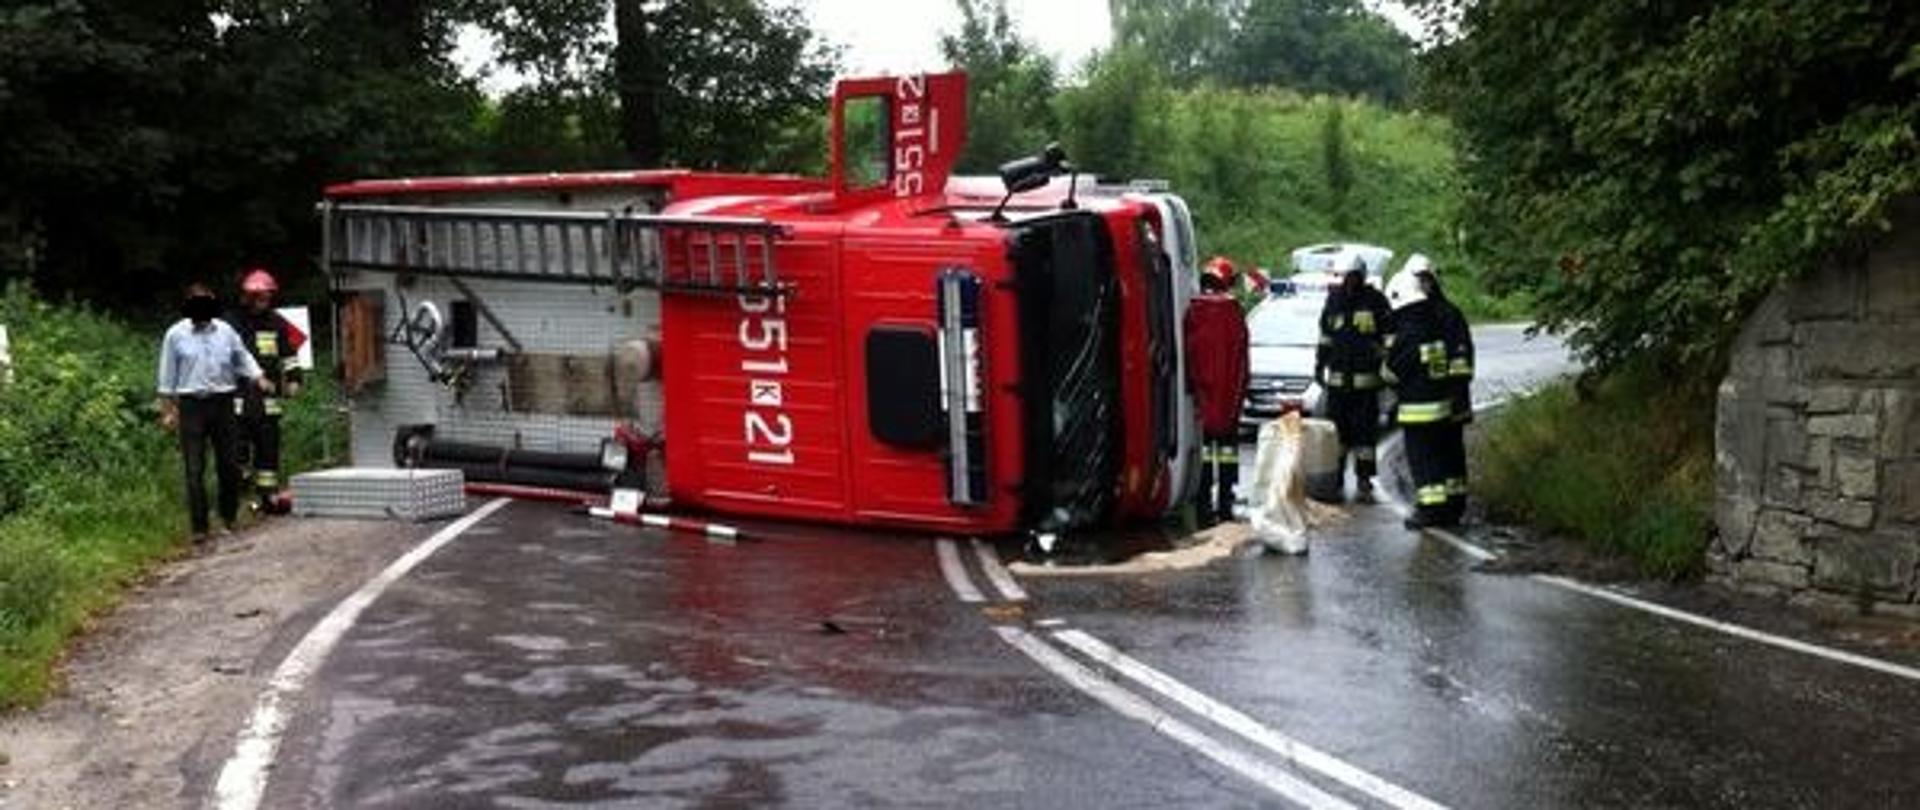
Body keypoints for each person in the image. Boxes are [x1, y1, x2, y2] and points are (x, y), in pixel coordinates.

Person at [158, 283, 268, 541]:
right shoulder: (175, 335)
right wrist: (167, 410)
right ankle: (199, 527)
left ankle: (228, 518)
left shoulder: (226, 331)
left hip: (223, 403)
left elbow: (242, 356)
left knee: (228, 465)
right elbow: (166, 376)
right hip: (191, 405)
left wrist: (258, 376)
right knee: (194, 468)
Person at [1383, 256, 1458, 528]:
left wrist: (1385, 361)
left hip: (1418, 410)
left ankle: (1429, 510)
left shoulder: (1408, 336)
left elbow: (1391, 373)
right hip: (1440, 407)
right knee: (1438, 458)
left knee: (1423, 462)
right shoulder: (1434, 329)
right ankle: (1444, 509)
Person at [225, 268, 305, 512]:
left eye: (267, 297)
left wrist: (294, 380)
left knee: (268, 448)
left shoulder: (276, 323)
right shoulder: (231, 323)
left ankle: (267, 497)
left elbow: (289, 356)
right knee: (236, 448)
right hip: (238, 395)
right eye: (260, 298)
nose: (264, 302)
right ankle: (238, 495)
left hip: (268, 396)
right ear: (247, 297)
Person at [1315, 254, 1393, 500]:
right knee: (1337, 434)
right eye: (1345, 277)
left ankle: (1364, 478)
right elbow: (1326, 335)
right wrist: (1320, 364)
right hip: (1338, 381)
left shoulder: (1376, 301)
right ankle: (1336, 476)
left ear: (1361, 276)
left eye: (1353, 276)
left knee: (1365, 435)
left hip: (1366, 383)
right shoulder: (1334, 299)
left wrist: (1384, 361)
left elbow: (1389, 336)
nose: (1349, 281)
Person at [1184, 255, 1251, 525]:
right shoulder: (1233, 312)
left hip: (1201, 398)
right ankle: (1224, 502)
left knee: (1205, 450)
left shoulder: (1193, 310)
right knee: (1226, 451)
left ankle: (1202, 503)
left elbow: (1188, 353)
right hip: (1228, 399)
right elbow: (1242, 359)